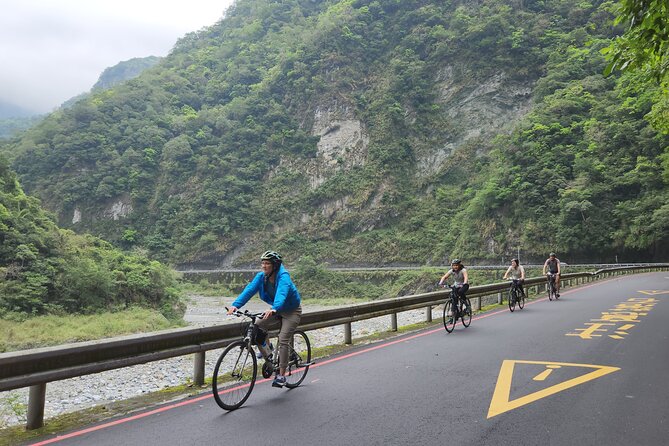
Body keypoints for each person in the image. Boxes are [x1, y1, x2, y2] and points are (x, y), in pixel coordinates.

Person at [227, 251, 302, 388]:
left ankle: (281, 375)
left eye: (267, 263)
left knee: (283, 338)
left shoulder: (283, 276)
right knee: (257, 326)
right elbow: (249, 290)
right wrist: (235, 305)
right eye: (262, 263)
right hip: (276, 309)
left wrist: (275, 308)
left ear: (275, 266)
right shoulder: (261, 277)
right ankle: (269, 350)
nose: (264, 266)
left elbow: (282, 293)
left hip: (291, 311)